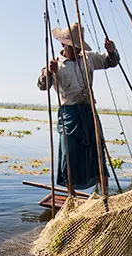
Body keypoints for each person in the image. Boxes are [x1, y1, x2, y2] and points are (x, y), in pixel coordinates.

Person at [37, 22, 119, 194]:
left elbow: (111, 62)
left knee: (97, 151)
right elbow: (42, 86)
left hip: (88, 110)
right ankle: (70, 197)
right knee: (70, 155)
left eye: (77, 47)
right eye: (72, 47)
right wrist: (49, 74)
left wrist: (111, 51)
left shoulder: (89, 57)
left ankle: (104, 194)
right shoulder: (55, 65)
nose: (76, 50)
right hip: (70, 113)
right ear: (63, 44)